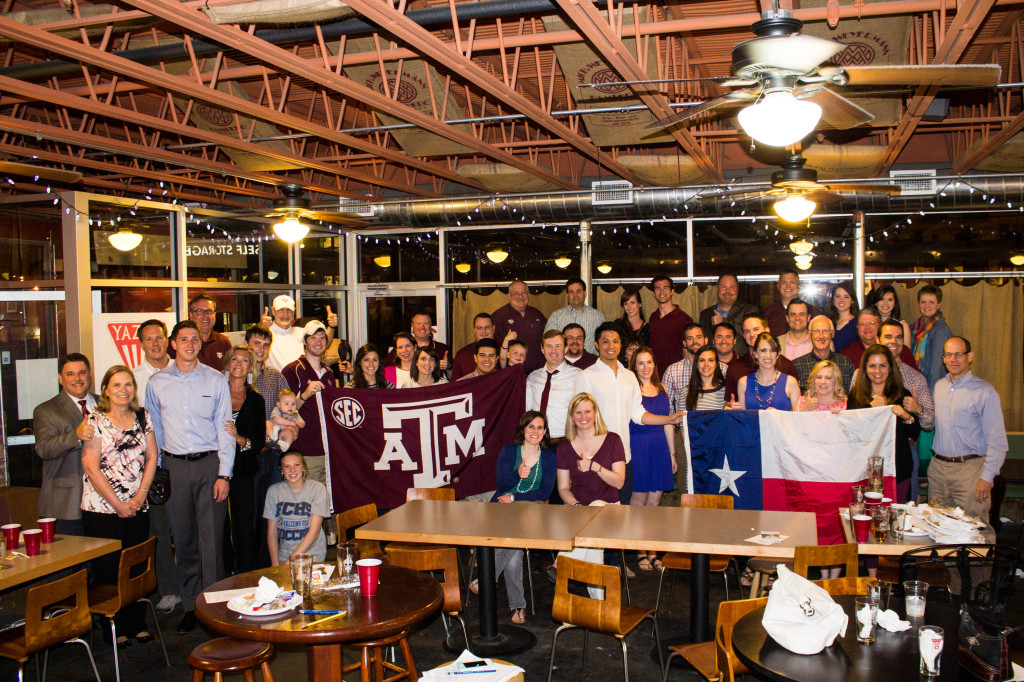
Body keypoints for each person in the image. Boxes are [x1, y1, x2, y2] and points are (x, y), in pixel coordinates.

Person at [146, 320, 234, 634]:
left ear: (200, 344)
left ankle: (214, 608)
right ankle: (189, 604)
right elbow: (153, 429)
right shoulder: (157, 383)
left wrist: (225, 474)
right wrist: (157, 470)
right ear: (173, 344)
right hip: (175, 468)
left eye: (195, 339)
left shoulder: (215, 380)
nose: (189, 344)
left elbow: (226, 430)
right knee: (182, 541)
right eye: (183, 339)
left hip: (210, 465)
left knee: (211, 541)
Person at [80, 365, 158, 648]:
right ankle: (115, 628)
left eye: (128, 385)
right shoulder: (95, 420)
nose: (124, 390)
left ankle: (137, 624)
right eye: (117, 385)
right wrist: (118, 504)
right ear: (105, 390)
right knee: (109, 570)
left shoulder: (142, 416)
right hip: (101, 510)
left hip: (138, 506)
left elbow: (151, 457)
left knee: (135, 567)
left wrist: (139, 497)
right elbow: (90, 466)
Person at [573, 323, 684, 504]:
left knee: (625, 508)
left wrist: (669, 419)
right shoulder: (586, 376)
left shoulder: (629, 376)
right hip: (597, 455)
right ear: (596, 345)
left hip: (625, 455)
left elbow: (638, 414)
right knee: (598, 510)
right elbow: (578, 418)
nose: (611, 346)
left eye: (615, 341)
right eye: (605, 341)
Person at [471, 411, 557, 624]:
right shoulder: (509, 451)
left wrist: (515, 497)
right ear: (523, 429)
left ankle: (486, 579)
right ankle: (518, 606)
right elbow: (501, 482)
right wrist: (517, 474)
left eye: (539, 427)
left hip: (531, 508)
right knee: (515, 546)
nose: (535, 431)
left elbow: (545, 493)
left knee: (515, 536)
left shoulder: (548, 457)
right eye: (531, 427)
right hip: (501, 506)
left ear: (545, 432)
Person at [929, 337, 1008, 522]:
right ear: (943, 358)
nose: (953, 359)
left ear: (970, 356)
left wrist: (987, 478)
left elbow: (998, 442)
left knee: (974, 530)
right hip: (938, 469)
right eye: (948, 355)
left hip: (970, 471)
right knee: (937, 526)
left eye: (959, 354)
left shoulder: (985, 391)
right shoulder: (939, 387)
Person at [131, 320, 179, 614]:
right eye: (149, 340)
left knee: (187, 530)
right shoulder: (133, 379)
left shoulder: (185, 370)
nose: (156, 344)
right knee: (160, 531)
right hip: (153, 467)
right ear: (141, 344)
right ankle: (170, 589)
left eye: (159, 337)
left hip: (185, 461)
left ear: (168, 340)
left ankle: (194, 586)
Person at [847, 344, 920, 501]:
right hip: (864, 470)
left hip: (897, 469)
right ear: (865, 369)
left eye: (883, 366)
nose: (877, 371)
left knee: (893, 516)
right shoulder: (856, 396)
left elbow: (915, 433)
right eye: (872, 366)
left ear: (890, 368)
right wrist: (871, 407)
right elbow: (851, 431)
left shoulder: (902, 394)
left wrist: (905, 415)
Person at [34, 352, 96, 537]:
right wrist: (75, 436)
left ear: (90, 374)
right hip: (66, 504)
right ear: (61, 379)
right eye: (70, 374)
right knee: (74, 564)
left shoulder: (107, 404)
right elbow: (43, 448)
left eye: (82, 373)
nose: (77, 378)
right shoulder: (46, 410)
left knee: (103, 561)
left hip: (105, 503)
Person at [244, 323, 289, 567]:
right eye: (256, 344)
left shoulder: (276, 377)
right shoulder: (235, 375)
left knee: (270, 512)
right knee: (247, 514)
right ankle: (247, 567)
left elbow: (288, 409)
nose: (261, 349)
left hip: (271, 454)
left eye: (265, 345)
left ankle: (267, 564)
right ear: (247, 344)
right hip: (246, 455)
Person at [628, 348, 676, 571]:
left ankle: (653, 551)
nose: (645, 367)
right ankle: (640, 551)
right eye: (640, 363)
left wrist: (672, 454)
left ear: (655, 365)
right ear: (633, 366)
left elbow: (668, 424)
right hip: (638, 447)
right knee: (639, 504)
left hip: (659, 448)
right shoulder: (631, 389)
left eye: (649, 362)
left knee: (655, 504)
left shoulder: (662, 389)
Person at [222, 345, 266, 575]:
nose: (239, 364)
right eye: (234, 359)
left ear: (250, 367)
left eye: (244, 361)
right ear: (227, 364)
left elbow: (258, 442)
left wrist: (239, 438)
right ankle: (223, 573)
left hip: (244, 470)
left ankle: (246, 575)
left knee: (244, 525)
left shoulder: (255, 400)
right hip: (215, 469)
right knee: (219, 526)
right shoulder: (215, 392)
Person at [264, 453, 329, 565]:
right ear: (281, 470)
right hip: (284, 556)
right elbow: (272, 533)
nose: (292, 470)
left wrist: (290, 561)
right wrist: (275, 566)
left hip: (312, 557)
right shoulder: (274, 491)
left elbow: (314, 532)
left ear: (303, 467)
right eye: (287, 466)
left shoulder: (317, 489)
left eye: (296, 465)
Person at [724, 316, 799, 402]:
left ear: (767, 330)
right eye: (747, 331)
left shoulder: (787, 366)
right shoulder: (734, 369)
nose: (752, 334)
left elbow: (795, 408)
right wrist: (730, 407)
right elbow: (728, 404)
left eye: (756, 329)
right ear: (744, 336)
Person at [525, 330, 581, 441]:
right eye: (549, 346)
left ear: (565, 349)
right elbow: (527, 410)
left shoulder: (578, 376)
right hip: (536, 440)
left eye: (558, 346)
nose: (553, 351)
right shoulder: (533, 378)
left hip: (565, 441)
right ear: (542, 349)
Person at [261, 295, 339, 371]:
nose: (285, 314)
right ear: (273, 311)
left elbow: (323, 344)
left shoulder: (302, 332)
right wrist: (260, 327)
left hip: (302, 382)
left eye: (289, 310)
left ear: (294, 311)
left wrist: (331, 327)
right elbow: (250, 345)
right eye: (281, 310)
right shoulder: (265, 334)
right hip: (275, 382)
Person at [733, 333, 801, 411]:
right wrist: (732, 410)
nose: (768, 355)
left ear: (778, 354)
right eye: (763, 350)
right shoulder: (743, 382)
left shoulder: (791, 382)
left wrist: (779, 416)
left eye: (772, 351)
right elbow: (742, 418)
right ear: (755, 354)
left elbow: (797, 419)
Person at [493, 280, 547, 373]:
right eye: (516, 293)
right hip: (510, 374)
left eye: (524, 293)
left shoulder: (537, 314)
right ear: (509, 296)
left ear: (528, 294)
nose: (520, 296)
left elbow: (547, 339)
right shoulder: (498, 316)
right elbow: (491, 347)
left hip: (538, 373)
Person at [699, 274, 759, 357]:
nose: (727, 291)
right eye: (723, 287)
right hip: (712, 365)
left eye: (732, 287)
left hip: (740, 363)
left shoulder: (749, 310)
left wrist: (723, 321)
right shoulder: (705, 314)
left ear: (737, 290)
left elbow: (751, 336)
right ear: (717, 289)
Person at [793, 315, 856, 393]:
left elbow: (853, 397)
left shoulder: (846, 363)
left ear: (832, 334)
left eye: (825, 331)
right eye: (816, 331)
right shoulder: (797, 365)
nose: (821, 336)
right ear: (809, 335)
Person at [841, 307, 918, 368]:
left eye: (872, 323)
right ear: (857, 327)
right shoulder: (847, 355)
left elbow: (914, 377)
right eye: (863, 324)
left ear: (880, 325)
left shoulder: (902, 351)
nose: (867, 327)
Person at [545, 278, 605, 354]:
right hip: (564, 363)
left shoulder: (598, 317)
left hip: (590, 364)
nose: (575, 295)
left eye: (578, 291)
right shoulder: (556, 316)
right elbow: (548, 342)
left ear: (585, 293)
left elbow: (604, 343)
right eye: (571, 292)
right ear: (567, 295)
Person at [648, 275, 693, 374]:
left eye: (665, 287)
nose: (662, 292)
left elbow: (687, 351)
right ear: (653, 293)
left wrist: (682, 374)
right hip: (655, 375)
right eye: (658, 288)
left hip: (676, 375)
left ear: (672, 291)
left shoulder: (684, 319)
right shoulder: (653, 318)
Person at [912, 285, 953, 390]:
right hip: (917, 382)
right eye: (923, 302)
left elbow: (937, 367)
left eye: (931, 302)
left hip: (932, 385)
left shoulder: (940, 329)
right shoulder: (914, 327)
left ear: (938, 304)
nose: (927, 306)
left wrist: (930, 394)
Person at [662, 323, 708, 413]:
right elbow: (666, 404)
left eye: (698, 337)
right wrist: (676, 423)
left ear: (706, 340)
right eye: (689, 338)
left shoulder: (722, 369)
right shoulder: (672, 371)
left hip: (715, 423)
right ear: (684, 343)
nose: (695, 341)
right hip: (684, 424)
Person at [764, 270, 820, 336]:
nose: (788, 286)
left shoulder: (813, 312)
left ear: (799, 286)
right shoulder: (768, 313)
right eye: (784, 282)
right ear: (778, 286)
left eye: (792, 282)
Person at [185, 294, 231, 369]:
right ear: (191, 314)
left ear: (215, 314)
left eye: (209, 311)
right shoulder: (181, 342)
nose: (205, 315)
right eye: (200, 311)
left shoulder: (223, 342)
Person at [452, 314, 494, 380]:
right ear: (474, 331)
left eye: (487, 327)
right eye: (479, 328)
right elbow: (455, 386)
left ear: (493, 328)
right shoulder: (462, 355)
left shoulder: (504, 351)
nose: (484, 332)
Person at [686, 345, 727, 411]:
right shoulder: (686, 391)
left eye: (710, 360)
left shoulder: (726, 390)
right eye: (702, 360)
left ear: (716, 364)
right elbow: (682, 420)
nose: (706, 365)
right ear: (696, 364)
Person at [870, 284, 912, 350]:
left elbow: (906, 353)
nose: (885, 303)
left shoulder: (903, 325)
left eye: (890, 300)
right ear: (876, 302)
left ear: (895, 303)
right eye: (882, 299)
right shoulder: (870, 324)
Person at [828, 282, 860, 353]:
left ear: (853, 300)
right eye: (837, 296)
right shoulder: (828, 322)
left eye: (846, 297)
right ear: (833, 300)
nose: (841, 300)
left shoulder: (857, 323)